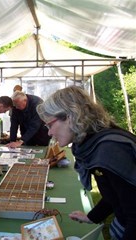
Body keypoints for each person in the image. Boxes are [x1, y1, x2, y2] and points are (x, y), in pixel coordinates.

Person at [36, 85, 136, 240]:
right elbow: (113, 193)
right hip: (121, 221)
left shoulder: (109, 149)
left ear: (69, 117)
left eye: (50, 125)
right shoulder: (93, 142)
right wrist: (92, 217)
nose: (49, 132)